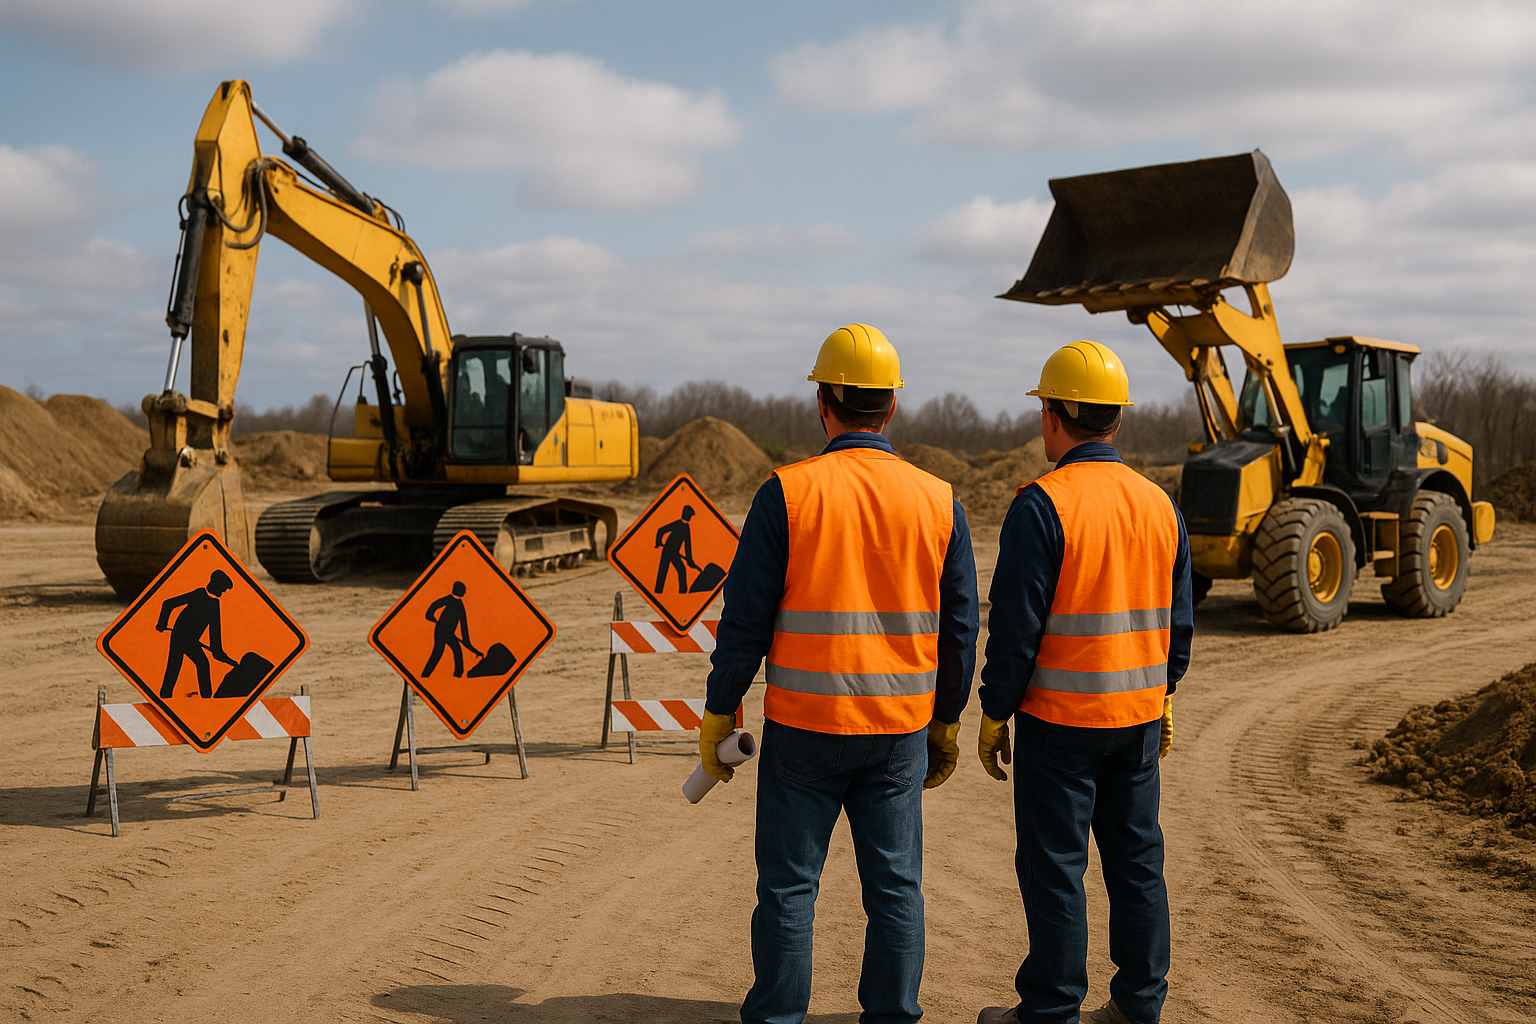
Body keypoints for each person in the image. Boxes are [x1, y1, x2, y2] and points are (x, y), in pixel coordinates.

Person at [700, 323, 980, 1024]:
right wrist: (947, 719)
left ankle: (778, 1017)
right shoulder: (939, 501)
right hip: (898, 734)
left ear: (823, 403)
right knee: (895, 889)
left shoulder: (786, 494)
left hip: (803, 730)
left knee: (790, 891)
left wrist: (719, 709)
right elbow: (961, 628)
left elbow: (745, 622)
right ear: (891, 408)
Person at [974, 340, 1193, 1024]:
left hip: (1060, 724)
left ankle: (1050, 1010)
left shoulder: (1043, 505)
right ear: (1115, 420)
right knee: (1136, 866)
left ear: (1058, 415)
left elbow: (1014, 631)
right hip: (1135, 722)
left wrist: (993, 712)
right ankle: (1138, 1006)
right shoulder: (1160, 504)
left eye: (1045, 408)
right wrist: (1163, 697)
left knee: (1054, 869)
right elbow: (1178, 627)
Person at [155, 570, 238, 698]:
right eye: (222, 589)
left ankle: (206, 698)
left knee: (199, 664)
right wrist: (162, 623)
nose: (222, 593)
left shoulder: (214, 604)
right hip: (179, 636)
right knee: (177, 666)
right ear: (214, 584)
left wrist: (226, 659)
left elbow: (215, 636)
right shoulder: (198, 594)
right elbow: (168, 604)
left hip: (191, 641)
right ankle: (167, 696)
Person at [423, 581, 481, 677]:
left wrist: (471, 647)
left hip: (449, 633)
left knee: (457, 651)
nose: (465, 592)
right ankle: (425, 675)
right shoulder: (449, 600)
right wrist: (430, 617)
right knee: (438, 652)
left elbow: (464, 626)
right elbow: (434, 605)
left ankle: (458, 674)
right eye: (464, 590)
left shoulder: (460, 605)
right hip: (441, 631)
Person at [654, 505, 700, 593]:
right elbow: (661, 530)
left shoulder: (686, 527)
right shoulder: (677, 524)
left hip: (674, 553)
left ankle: (682, 592)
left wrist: (689, 560)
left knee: (681, 570)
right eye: (689, 515)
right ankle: (658, 591)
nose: (690, 517)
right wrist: (658, 542)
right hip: (667, 551)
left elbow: (687, 545)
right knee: (663, 571)